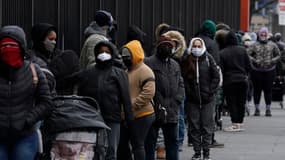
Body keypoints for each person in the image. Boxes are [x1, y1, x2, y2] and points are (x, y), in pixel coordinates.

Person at [0, 25, 53, 159]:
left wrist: (28, 120)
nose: (8, 50)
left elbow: (46, 102)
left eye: (12, 46)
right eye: (4, 46)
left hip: (25, 136)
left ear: (21, 47)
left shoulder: (33, 71)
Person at [76, 40, 134, 160]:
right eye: (101, 51)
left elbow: (126, 97)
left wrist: (129, 120)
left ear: (112, 53)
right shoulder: (88, 73)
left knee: (111, 151)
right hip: (92, 118)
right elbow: (81, 95)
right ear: (96, 53)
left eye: (107, 52)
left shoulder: (119, 73)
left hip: (112, 118)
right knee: (93, 150)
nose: (103, 54)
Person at [117, 26, 155, 160]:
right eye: (124, 55)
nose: (125, 58)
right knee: (123, 145)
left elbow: (148, 93)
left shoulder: (145, 70)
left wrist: (130, 106)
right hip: (129, 115)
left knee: (138, 145)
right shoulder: (127, 71)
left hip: (143, 114)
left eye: (128, 55)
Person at [144, 36, 184, 160]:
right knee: (149, 143)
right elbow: (146, 84)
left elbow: (180, 83)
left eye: (170, 46)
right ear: (158, 47)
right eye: (164, 46)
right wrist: (156, 102)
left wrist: (178, 98)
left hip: (172, 109)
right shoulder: (149, 62)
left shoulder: (175, 65)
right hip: (154, 109)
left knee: (172, 143)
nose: (167, 48)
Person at [181, 37, 220, 160]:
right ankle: (197, 152)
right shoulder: (187, 59)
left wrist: (210, 91)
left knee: (207, 127)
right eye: (194, 46)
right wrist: (189, 92)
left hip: (207, 99)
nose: (196, 49)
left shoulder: (208, 58)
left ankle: (206, 153)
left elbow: (216, 77)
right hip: (193, 100)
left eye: (199, 46)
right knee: (194, 127)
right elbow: (183, 78)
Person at [220, 31, 251, 132]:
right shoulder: (243, 50)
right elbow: (248, 66)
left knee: (231, 102)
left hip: (229, 81)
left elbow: (222, 69)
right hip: (242, 79)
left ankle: (234, 123)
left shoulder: (223, 52)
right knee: (241, 102)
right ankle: (240, 122)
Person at [247, 27, 280, 116]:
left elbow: (278, 55)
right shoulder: (254, 45)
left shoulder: (272, 45)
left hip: (269, 71)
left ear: (267, 35)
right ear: (259, 35)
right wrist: (254, 60)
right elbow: (247, 54)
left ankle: (268, 109)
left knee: (268, 90)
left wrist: (272, 60)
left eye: (265, 34)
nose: (263, 35)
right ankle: (257, 109)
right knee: (257, 90)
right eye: (261, 34)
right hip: (256, 71)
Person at [28, 23, 59, 94]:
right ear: (40, 40)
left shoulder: (56, 55)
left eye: (55, 39)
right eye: (51, 39)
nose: (54, 42)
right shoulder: (31, 57)